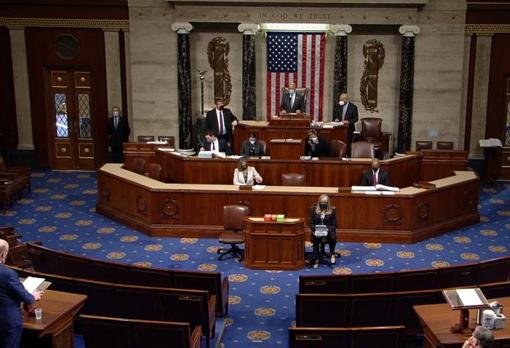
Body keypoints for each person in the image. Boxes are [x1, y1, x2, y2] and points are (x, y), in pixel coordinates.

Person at [0, 239, 44, 348]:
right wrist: (33, 296)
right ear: (2, 254)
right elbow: (26, 298)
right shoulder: (8, 274)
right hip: (7, 321)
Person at [309, 195, 338, 268]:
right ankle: (315, 259)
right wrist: (316, 229)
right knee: (316, 240)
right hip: (318, 231)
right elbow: (311, 223)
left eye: (325, 203)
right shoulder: (314, 210)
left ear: (328, 203)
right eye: (322, 202)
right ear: (319, 202)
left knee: (333, 237)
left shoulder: (332, 210)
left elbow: (335, 225)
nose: (323, 204)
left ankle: (332, 254)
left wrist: (327, 229)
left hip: (328, 231)